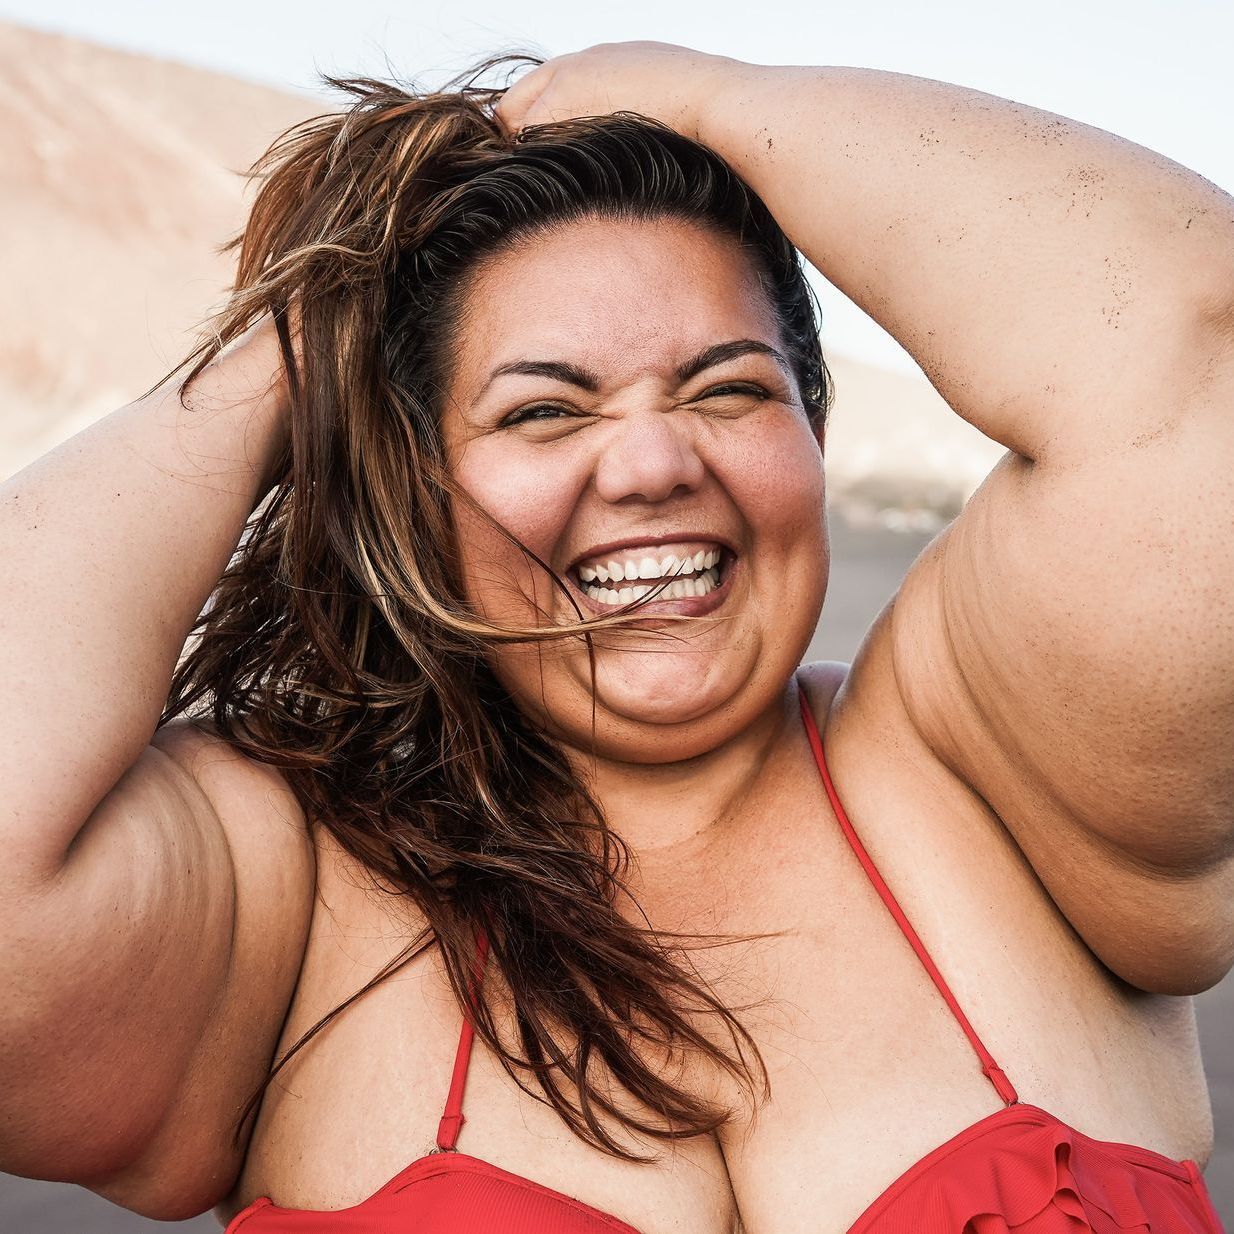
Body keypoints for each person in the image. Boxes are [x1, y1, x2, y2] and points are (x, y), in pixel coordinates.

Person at [1, 39, 1230, 1234]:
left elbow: (1194, 361)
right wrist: (309, 332)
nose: (651, 462)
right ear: (415, 481)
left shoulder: (1004, 786)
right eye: (542, 410)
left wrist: (702, 98)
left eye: (728, 389)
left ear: (813, 438)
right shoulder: (290, 884)